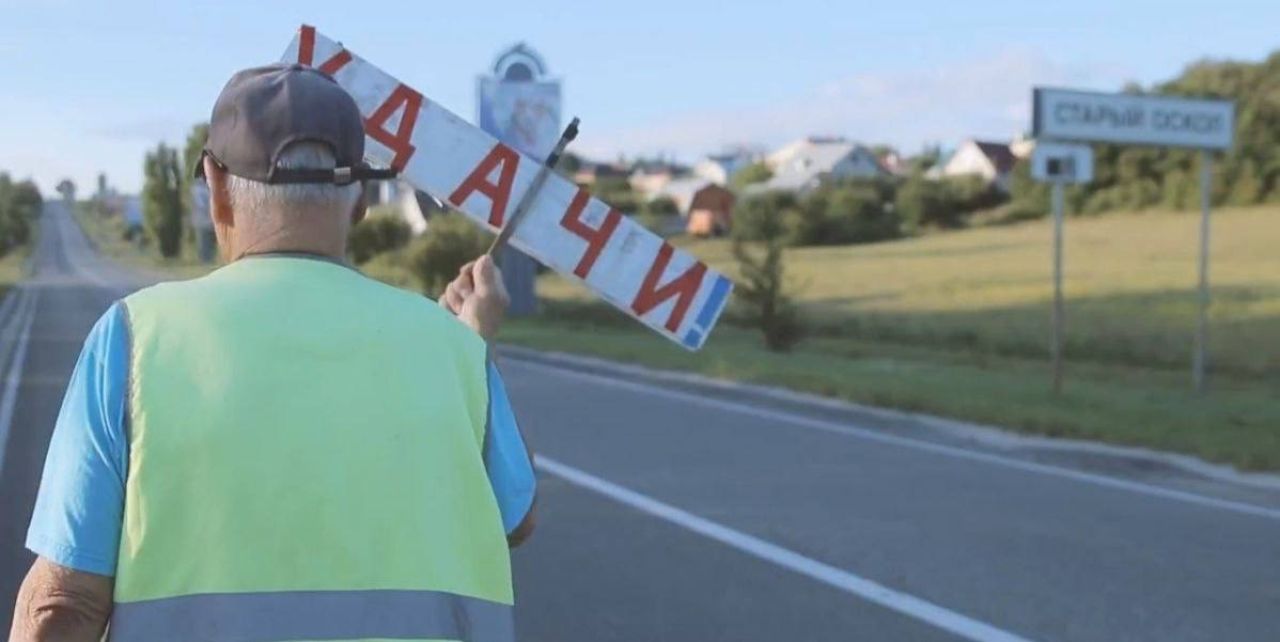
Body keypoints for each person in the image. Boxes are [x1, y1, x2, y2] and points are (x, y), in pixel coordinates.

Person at [9, 64, 535, 641]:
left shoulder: (133, 338)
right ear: (359, 199)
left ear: (214, 185)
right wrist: (469, 347)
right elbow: (514, 518)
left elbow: (62, 606)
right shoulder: (454, 350)